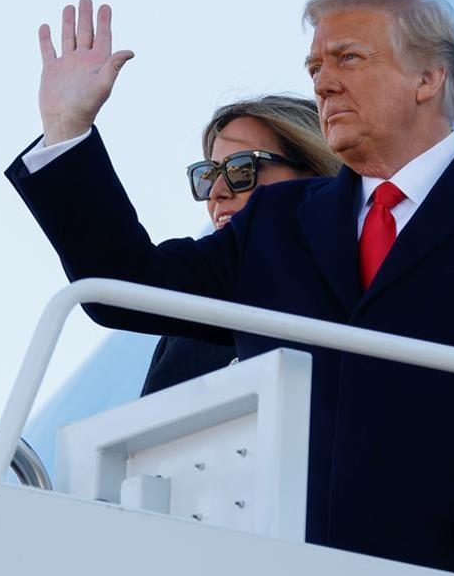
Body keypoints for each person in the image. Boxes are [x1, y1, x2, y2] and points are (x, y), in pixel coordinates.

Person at [8, 0, 454, 576]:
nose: (325, 82)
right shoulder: (278, 223)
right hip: (291, 569)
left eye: (348, 57)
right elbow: (128, 285)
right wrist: (69, 130)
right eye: (314, 68)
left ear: (429, 77)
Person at [141, 96, 340, 395]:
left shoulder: (363, 283)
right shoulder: (182, 334)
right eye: (208, 176)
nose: (217, 193)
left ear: (314, 174)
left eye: (240, 170)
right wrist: (67, 126)